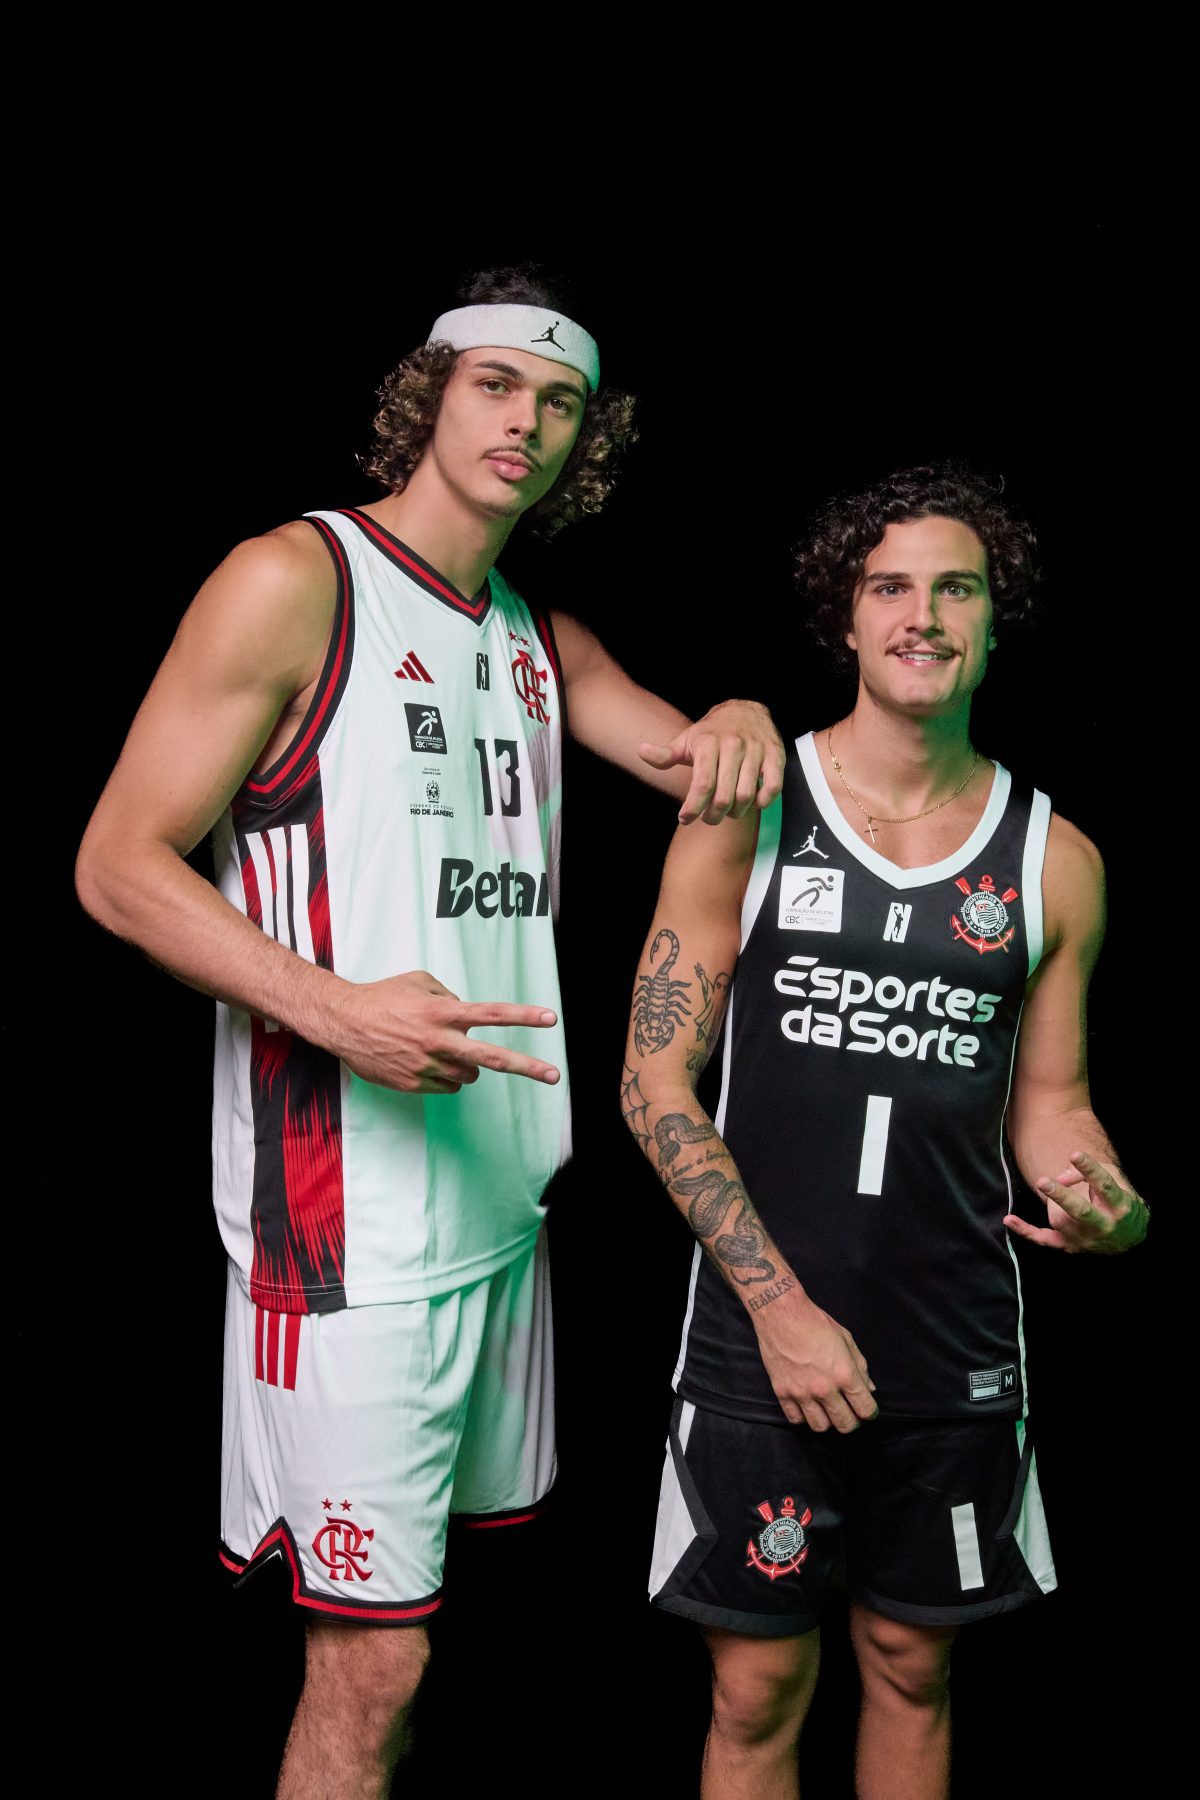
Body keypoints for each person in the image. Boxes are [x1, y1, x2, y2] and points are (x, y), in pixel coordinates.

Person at [74, 264, 785, 1799]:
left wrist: (736, 715)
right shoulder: (298, 579)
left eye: (561, 402)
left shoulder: (536, 635)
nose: (526, 421)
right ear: (431, 394)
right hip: (345, 1230)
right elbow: (117, 864)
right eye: (495, 385)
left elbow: (694, 759)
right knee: (369, 1664)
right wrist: (335, 1008)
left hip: (499, 1212)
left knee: (422, 1650)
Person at [620, 464, 1149, 1800]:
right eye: (891, 587)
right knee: (757, 1688)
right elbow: (654, 1082)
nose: (923, 615)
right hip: (758, 1337)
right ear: (845, 618)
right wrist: (779, 1308)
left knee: (914, 1667)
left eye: (955, 588)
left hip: (951, 1342)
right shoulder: (750, 807)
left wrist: (1106, 1195)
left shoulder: (1055, 858)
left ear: (994, 618)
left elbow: (1051, 1105)